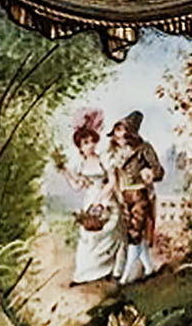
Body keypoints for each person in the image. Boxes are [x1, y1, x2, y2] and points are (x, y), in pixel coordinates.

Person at [61, 112, 121, 285]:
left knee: (107, 233)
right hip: (90, 200)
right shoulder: (80, 164)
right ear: (79, 147)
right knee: (87, 236)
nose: (90, 145)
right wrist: (66, 173)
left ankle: (107, 271)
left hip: (106, 198)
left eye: (92, 141)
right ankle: (84, 274)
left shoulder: (103, 159)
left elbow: (112, 182)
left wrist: (101, 200)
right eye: (85, 143)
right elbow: (77, 186)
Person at [107, 110, 165, 285]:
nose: (120, 135)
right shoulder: (114, 153)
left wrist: (149, 173)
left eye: (124, 131)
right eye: (117, 130)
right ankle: (149, 269)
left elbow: (159, 171)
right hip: (124, 197)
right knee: (134, 235)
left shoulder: (144, 148)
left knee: (134, 234)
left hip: (140, 195)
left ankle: (125, 277)